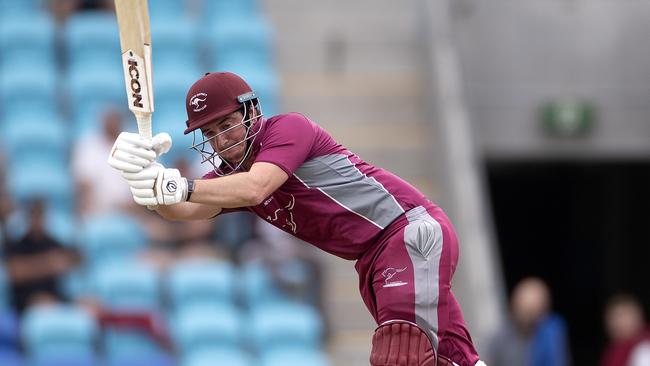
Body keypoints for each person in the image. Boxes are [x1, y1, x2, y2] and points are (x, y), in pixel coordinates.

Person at [107, 71, 485, 366]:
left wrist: (179, 186)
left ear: (251, 111)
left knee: (400, 351)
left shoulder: (288, 129)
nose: (220, 141)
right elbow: (187, 209)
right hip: (373, 259)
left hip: (405, 235)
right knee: (449, 358)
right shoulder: (231, 175)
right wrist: (145, 184)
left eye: (226, 125)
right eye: (210, 133)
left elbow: (254, 188)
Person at [2, 200, 78, 314]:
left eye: (40, 216)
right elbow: (14, 273)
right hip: (25, 303)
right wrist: (48, 263)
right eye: (34, 216)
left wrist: (29, 267)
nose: (38, 221)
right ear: (27, 219)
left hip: (54, 299)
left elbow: (71, 261)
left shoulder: (53, 243)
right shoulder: (16, 245)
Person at [486, 277, 571, 366]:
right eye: (525, 310)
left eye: (532, 311)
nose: (528, 318)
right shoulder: (501, 336)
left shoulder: (550, 332)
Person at [601, 294, 650, 366]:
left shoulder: (644, 349)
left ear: (639, 318)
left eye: (624, 315)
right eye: (614, 317)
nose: (618, 323)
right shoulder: (614, 351)